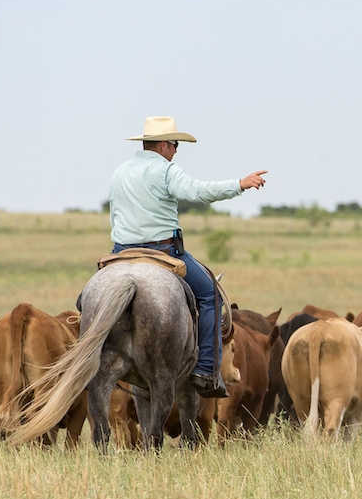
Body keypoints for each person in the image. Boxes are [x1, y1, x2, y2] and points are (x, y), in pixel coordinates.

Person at [107, 116, 267, 398]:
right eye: (175, 144)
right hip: (162, 251)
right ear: (163, 145)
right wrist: (239, 184)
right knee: (210, 296)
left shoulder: (119, 171)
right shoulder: (166, 171)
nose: (177, 150)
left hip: (121, 252)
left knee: (87, 300)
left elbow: (116, 214)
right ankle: (206, 369)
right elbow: (198, 191)